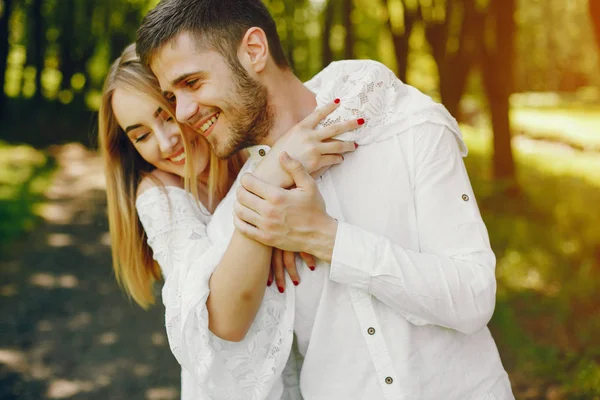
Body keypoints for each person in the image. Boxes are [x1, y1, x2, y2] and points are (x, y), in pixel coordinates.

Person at [136, 0, 516, 399]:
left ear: (253, 51)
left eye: (192, 83)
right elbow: (217, 340)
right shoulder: (245, 209)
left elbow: (473, 297)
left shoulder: (406, 127)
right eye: (172, 96)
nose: (183, 112)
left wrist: (325, 237)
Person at [98, 43, 361, 398]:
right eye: (141, 135)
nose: (165, 141)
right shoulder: (158, 194)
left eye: (166, 112)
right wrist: (266, 196)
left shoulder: (251, 147)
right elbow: (226, 322)